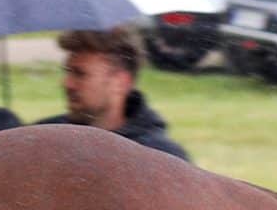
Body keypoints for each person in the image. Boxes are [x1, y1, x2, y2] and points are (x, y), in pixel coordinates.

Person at [35, 29, 191, 161]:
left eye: (80, 74)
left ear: (121, 82)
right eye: (68, 72)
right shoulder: (42, 140)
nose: (66, 83)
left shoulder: (158, 160)